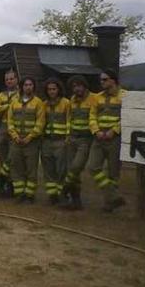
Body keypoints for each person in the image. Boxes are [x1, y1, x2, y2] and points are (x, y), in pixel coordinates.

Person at [88, 69, 127, 212]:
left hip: (115, 139)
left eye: (105, 79)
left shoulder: (124, 96)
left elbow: (127, 117)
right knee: (93, 167)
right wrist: (96, 130)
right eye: (101, 80)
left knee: (113, 173)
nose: (102, 82)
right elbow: (92, 116)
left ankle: (109, 203)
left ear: (113, 80)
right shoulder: (97, 97)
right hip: (99, 138)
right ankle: (114, 196)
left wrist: (114, 130)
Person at [8, 77, 46, 204]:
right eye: (26, 85)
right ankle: (19, 193)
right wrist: (15, 136)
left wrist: (29, 137)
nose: (28, 87)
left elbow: (40, 123)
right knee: (16, 168)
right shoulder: (14, 102)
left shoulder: (38, 103)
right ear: (21, 87)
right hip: (16, 141)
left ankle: (29, 195)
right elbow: (10, 122)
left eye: (30, 85)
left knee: (31, 169)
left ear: (33, 87)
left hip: (31, 143)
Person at [62, 75, 96, 210]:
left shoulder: (94, 98)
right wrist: (68, 135)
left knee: (76, 167)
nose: (77, 89)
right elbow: (70, 118)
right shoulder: (72, 100)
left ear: (85, 85)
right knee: (71, 169)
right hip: (72, 138)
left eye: (79, 85)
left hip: (85, 139)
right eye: (74, 87)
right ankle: (76, 199)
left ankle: (64, 189)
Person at [40, 78, 70, 205]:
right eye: (49, 89)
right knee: (48, 169)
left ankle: (62, 194)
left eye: (54, 89)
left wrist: (67, 138)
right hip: (47, 141)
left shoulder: (66, 103)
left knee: (61, 169)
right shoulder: (44, 104)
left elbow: (69, 120)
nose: (51, 91)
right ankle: (52, 195)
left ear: (59, 89)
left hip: (60, 141)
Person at [0, 70, 19, 197]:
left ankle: (10, 182)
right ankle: (7, 184)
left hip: (17, 126)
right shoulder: (1, 95)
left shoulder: (22, 94)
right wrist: (6, 106)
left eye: (11, 79)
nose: (9, 81)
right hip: (3, 125)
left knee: (13, 156)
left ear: (16, 79)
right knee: (3, 154)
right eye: (7, 79)